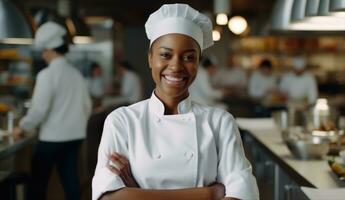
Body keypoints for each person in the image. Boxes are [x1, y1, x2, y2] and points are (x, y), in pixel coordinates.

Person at [92, 4, 259, 200]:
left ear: (197, 63)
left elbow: (243, 194)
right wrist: (207, 194)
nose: (176, 66)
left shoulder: (220, 122)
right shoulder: (122, 121)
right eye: (165, 55)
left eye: (189, 57)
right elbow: (107, 198)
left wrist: (138, 193)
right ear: (150, 59)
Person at [13, 22, 92, 200]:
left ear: (50, 50)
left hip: (52, 138)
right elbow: (87, 105)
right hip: (74, 137)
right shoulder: (76, 74)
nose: (43, 55)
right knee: (70, 179)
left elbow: (39, 109)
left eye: (43, 51)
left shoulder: (46, 75)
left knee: (38, 183)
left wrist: (23, 127)